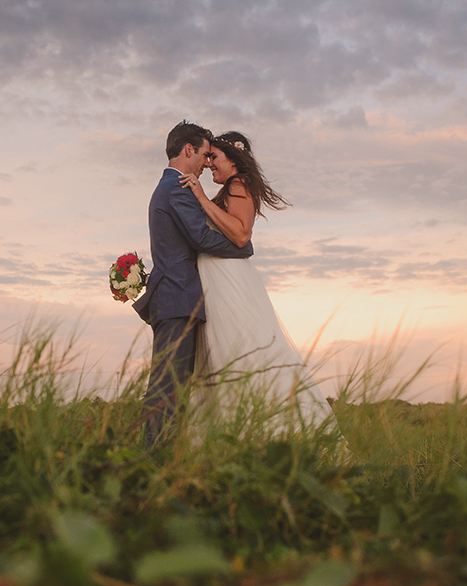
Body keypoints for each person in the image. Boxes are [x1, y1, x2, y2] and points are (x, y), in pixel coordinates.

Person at [179, 131, 346, 444]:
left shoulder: (237, 184)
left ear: (234, 159)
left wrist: (202, 199)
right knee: (224, 358)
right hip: (219, 279)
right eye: (209, 157)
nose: (210, 163)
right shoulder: (231, 188)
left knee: (238, 354)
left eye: (215, 157)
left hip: (229, 281)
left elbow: (242, 235)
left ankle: (265, 436)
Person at [133, 121, 254, 449]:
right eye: (203, 154)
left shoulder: (172, 186)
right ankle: (151, 461)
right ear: (189, 150)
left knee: (173, 387)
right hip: (177, 300)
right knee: (167, 389)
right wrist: (244, 247)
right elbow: (202, 237)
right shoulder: (177, 188)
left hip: (176, 299)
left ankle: (158, 458)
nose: (206, 162)